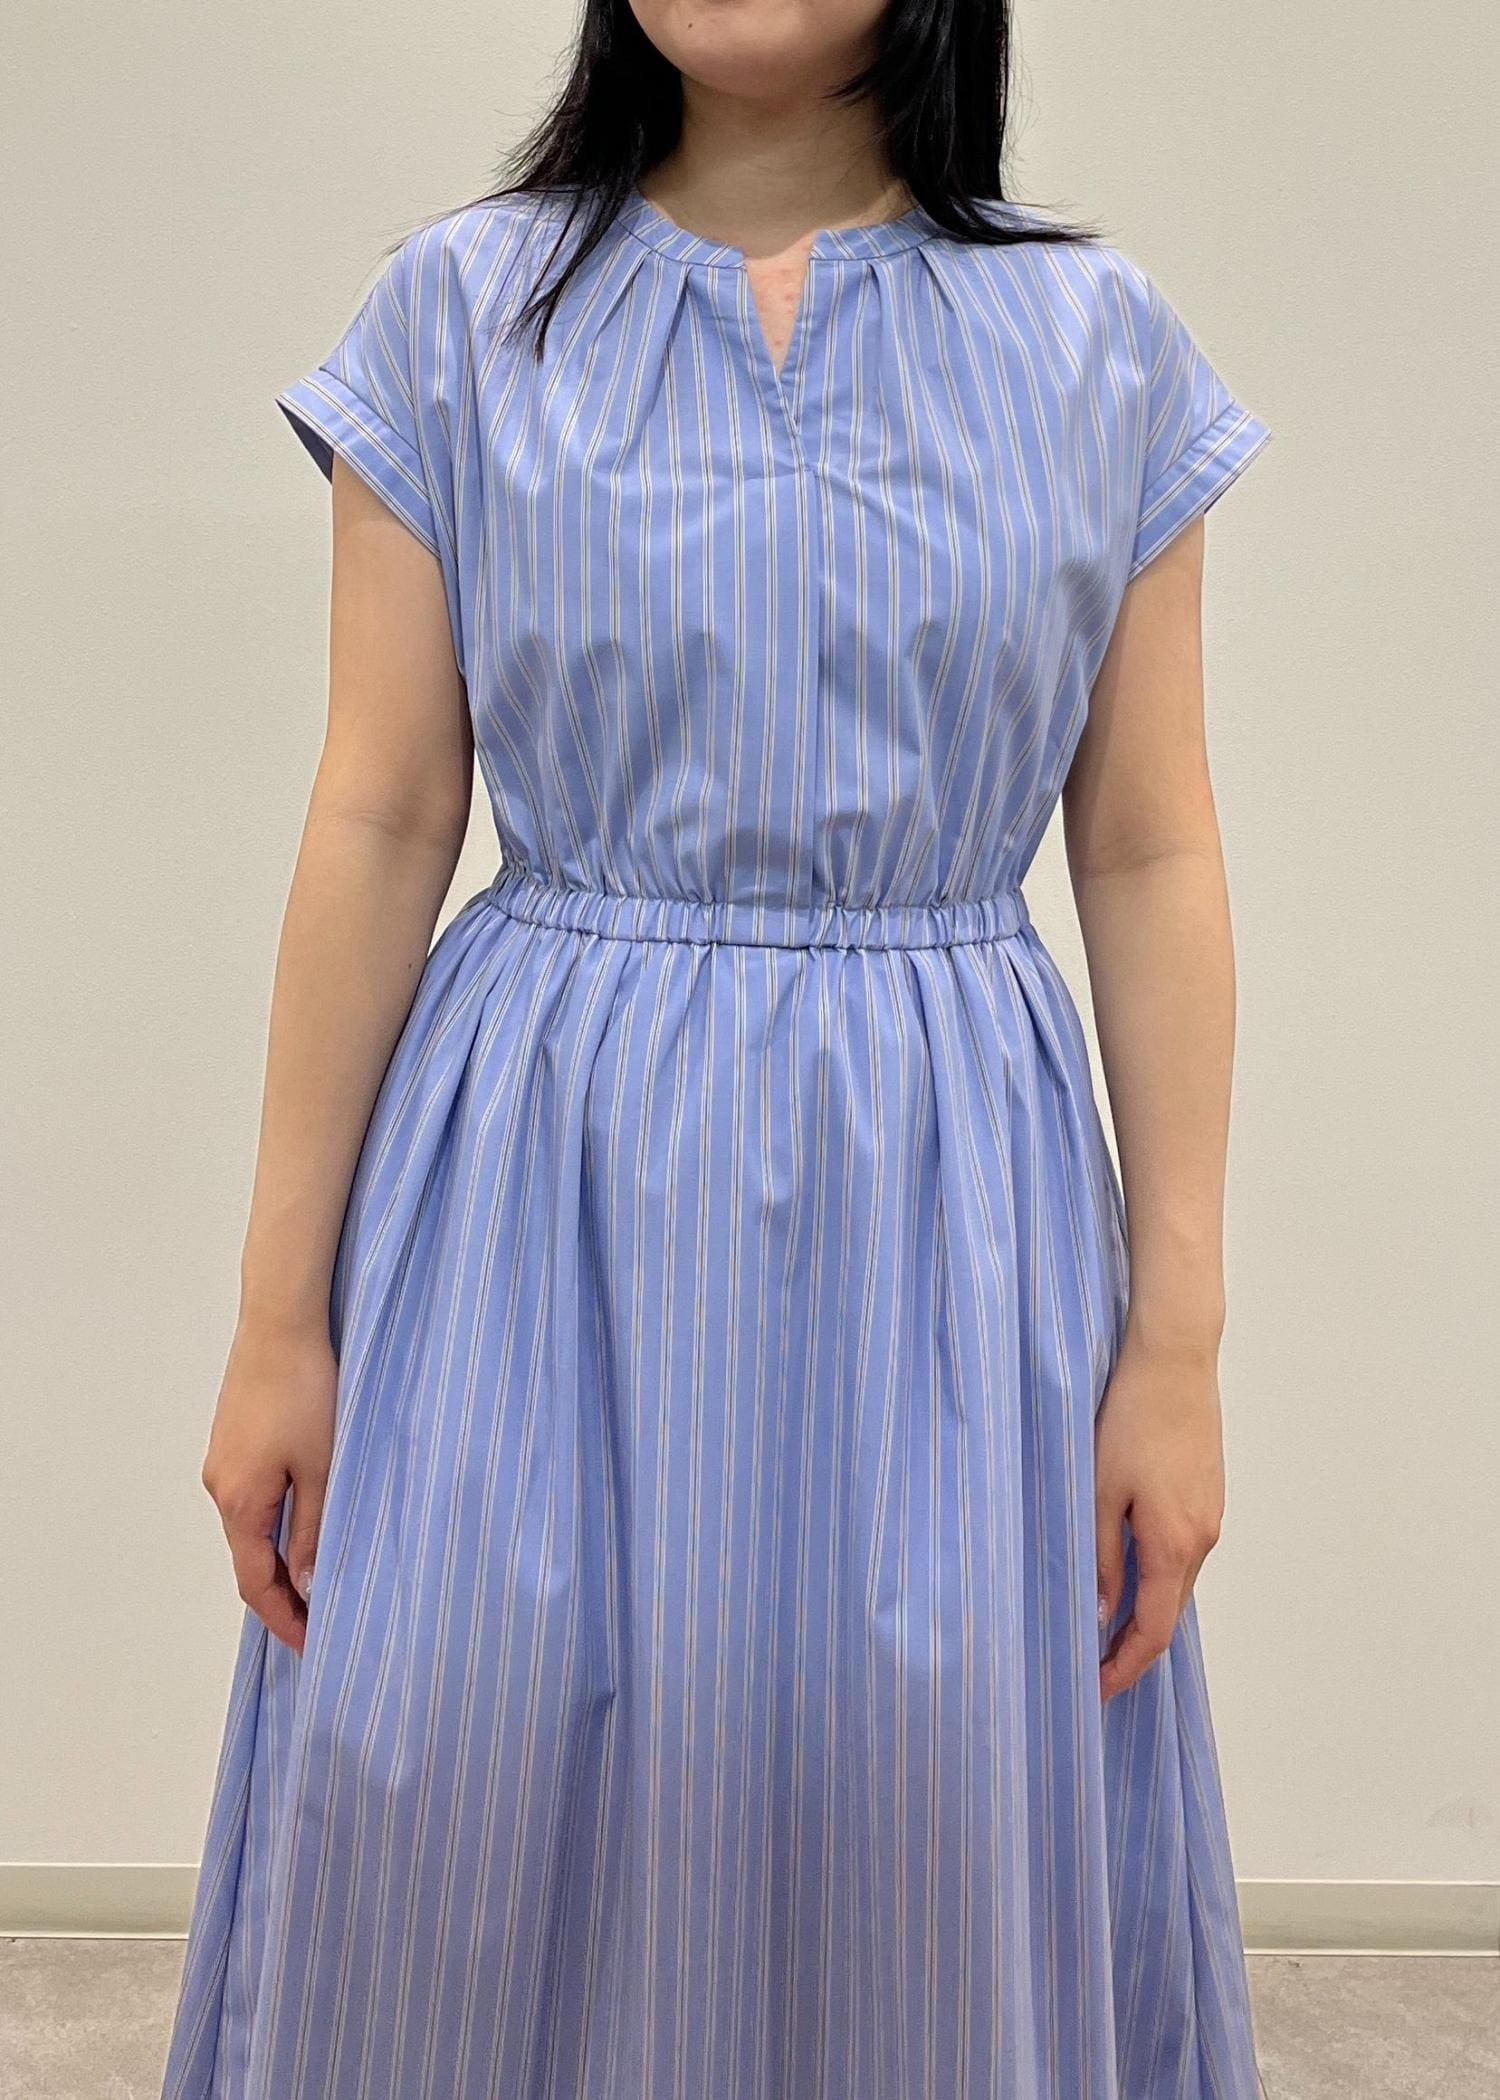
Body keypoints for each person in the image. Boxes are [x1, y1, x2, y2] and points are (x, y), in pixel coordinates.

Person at [162, 3, 1273, 2094]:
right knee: (453, 1802)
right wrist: (274, 1318)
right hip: (530, 1190)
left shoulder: (1097, 343)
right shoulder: (458, 313)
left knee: (920, 1841)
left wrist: (1180, 1346)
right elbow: (383, 811)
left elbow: (1147, 846)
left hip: (951, 1212)